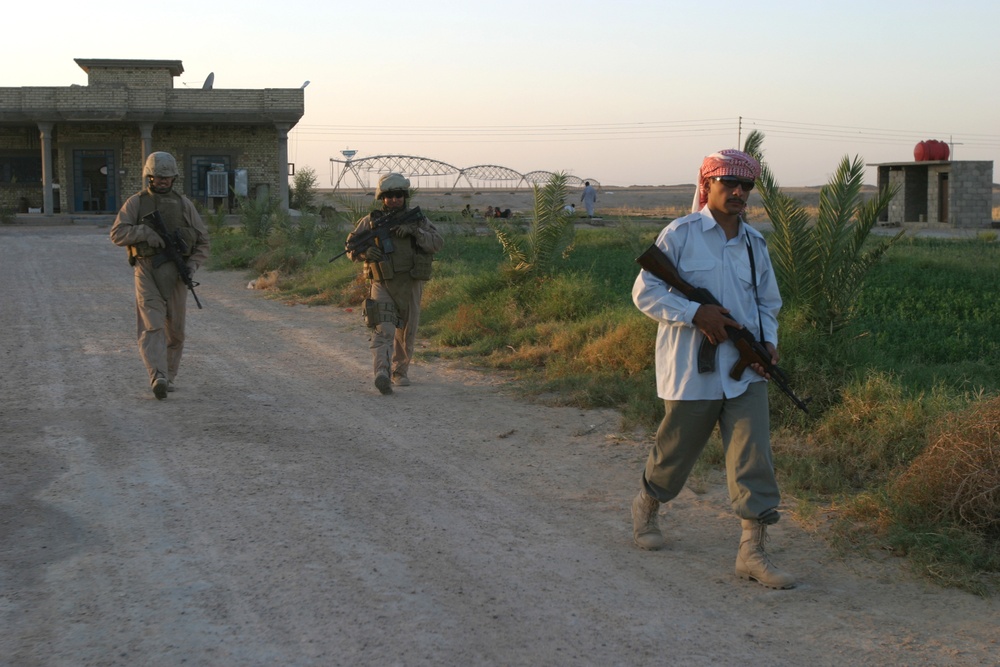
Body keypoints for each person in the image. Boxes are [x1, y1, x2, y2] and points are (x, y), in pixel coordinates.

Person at [629, 149, 795, 589]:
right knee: (675, 451)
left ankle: (752, 551)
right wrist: (693, 314)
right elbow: (645, 293)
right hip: (691, 368)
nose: (739, 193)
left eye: (745, 187)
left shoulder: (755, 244)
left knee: (753, 456)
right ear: (709, 185)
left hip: (745, 370)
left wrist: (769, 344)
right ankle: (648, 504)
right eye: (729, 184)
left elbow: (768, 303)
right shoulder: (680, 234)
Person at [110, 151, 210, 400]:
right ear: (149, 177)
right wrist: (143, 232)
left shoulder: (184, 204)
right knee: (152, 325)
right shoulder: (136, 202)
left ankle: (169, 376)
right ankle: (157, 375)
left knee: (175, 332)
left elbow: (203, 241)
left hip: (176, 273)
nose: (163, 181)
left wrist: (192, 266)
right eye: (158, 177)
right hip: (146, 270)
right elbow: (117, 233)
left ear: (174, 178)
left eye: (167, 177)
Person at [346, 173, 443, 394]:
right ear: (382, 198)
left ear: (404, 197)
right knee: (383, 328)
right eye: (389, 196)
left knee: (407, 331)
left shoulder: (417, 219)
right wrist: (364, 253)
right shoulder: (371, 221)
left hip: (410, 282)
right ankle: (382, 372)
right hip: (382, 282)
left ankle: (400, 371)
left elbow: (437, 242)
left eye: (398, 195)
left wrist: (415, 231)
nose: (394, 200)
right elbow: (350, 247)